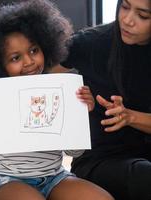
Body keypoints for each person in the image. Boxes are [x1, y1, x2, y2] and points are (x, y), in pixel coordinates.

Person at [0, 0, 114, 199]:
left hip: (55, 177)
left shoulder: (58, 91)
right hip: (8, 180)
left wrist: (80, 112)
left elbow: (74, 151)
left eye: (33, 51)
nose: (29, 62)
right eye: (15, 58)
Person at [59, 0, 151, 199]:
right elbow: (40, 76)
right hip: (100, 160)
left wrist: (130, 117)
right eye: (125, 7)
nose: (127, 20)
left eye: (143, 15)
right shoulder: (91, 42)